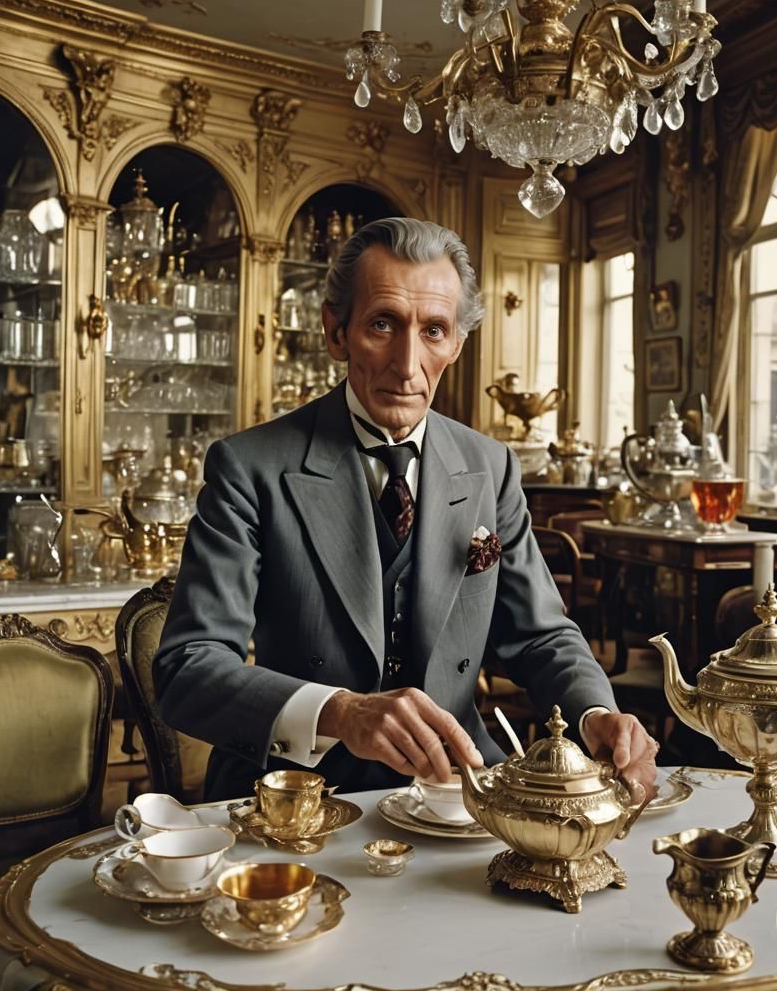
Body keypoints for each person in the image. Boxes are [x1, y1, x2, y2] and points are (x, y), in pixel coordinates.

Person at [154, 218, 658, 802]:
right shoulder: (248, 468)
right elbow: (188, 668)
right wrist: (340, 712)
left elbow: (541, 636)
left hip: (460, 790)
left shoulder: (490, 467)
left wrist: (596, 713)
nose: (408, 363)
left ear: (458, 345)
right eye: (383, 324)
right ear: (336, 332)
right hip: (296, 798)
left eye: (434, 331)